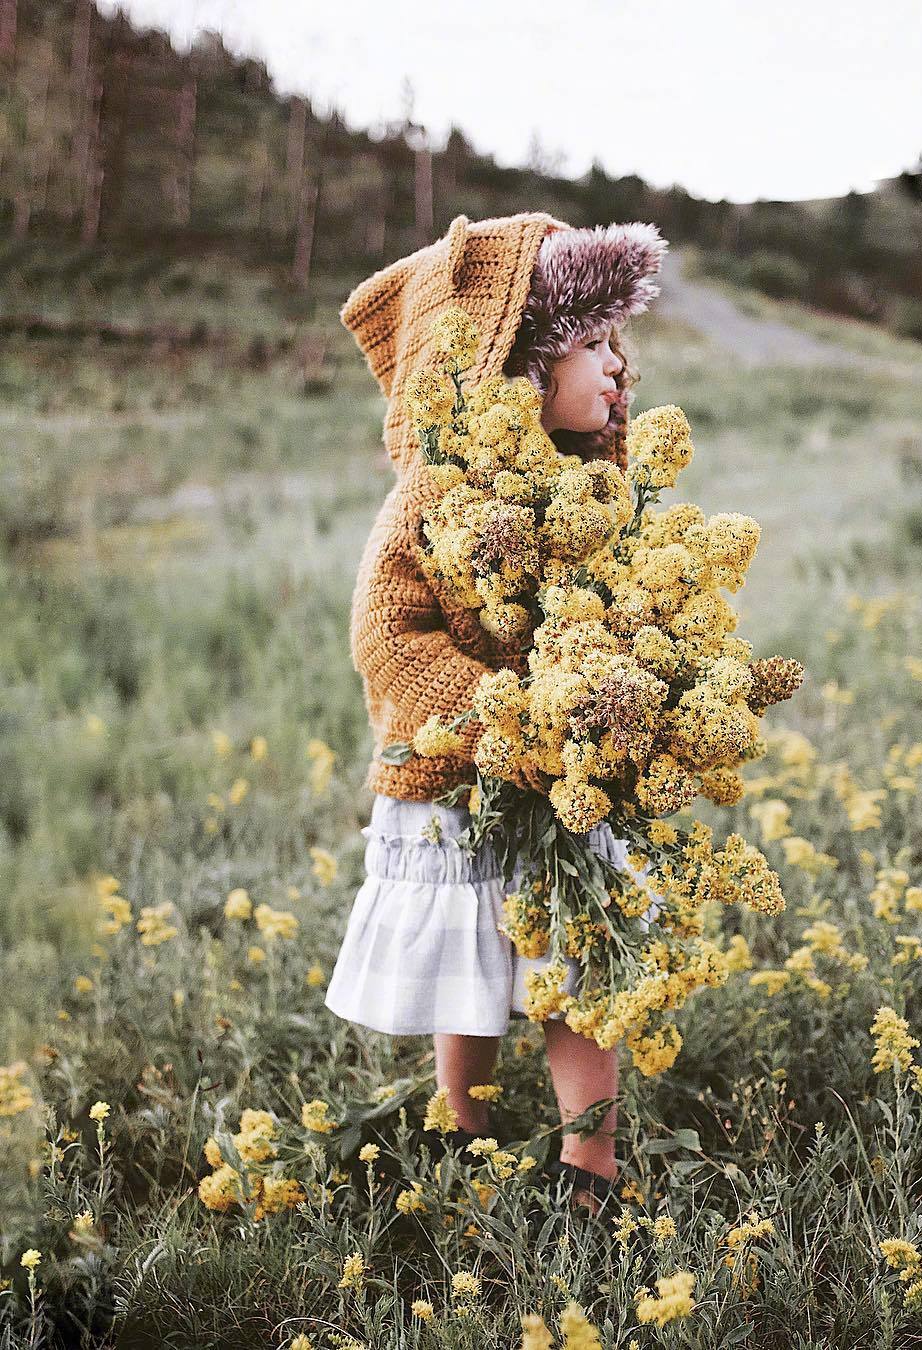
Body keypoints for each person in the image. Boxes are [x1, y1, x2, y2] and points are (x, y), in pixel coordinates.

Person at [325, 212, 668, 1214]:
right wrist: (499, 722)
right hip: (461, 771)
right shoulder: (438, 490)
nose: (615, 368)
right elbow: (387, 635)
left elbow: (631, 609)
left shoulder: (594, 487)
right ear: (515, 368)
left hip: (566, 779)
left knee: (577, 962)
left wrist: (645, 683)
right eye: (590, 345)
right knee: (463, 962)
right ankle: (458, 1130)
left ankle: (590, 1180)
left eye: (616, 343)